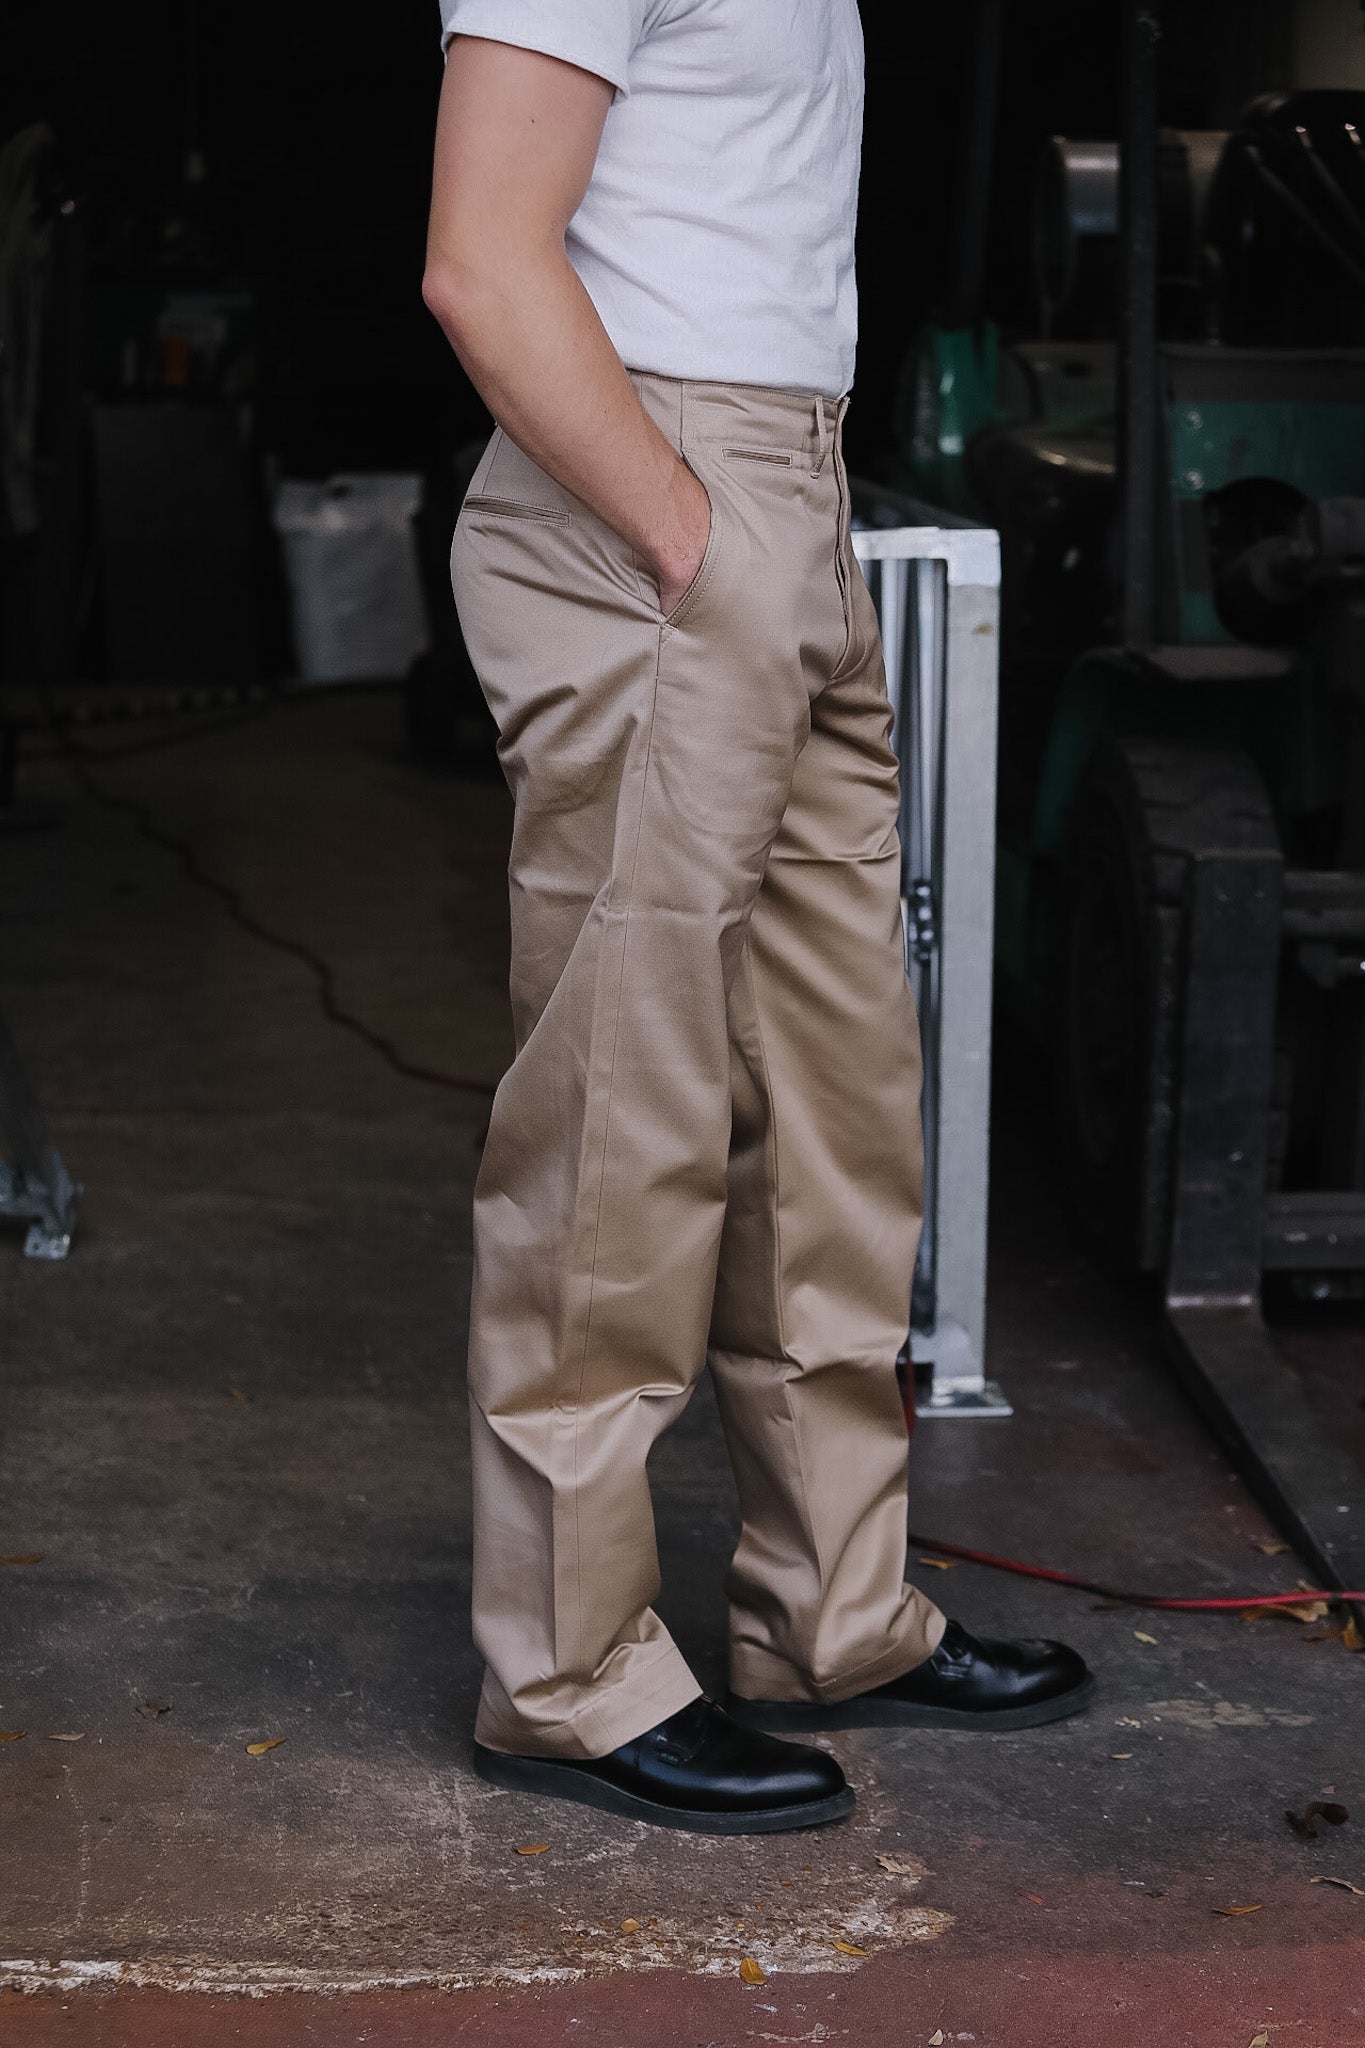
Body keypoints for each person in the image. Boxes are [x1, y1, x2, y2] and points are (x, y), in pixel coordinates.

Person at [422, 0, 1093, 1836]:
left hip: (773, 480)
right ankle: (564, 1674)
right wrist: (691, 539)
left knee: (830, 1090)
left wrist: (759, 535)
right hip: (653, 485)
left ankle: (832, 1613)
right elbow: (482, 261)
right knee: (619, 1122)